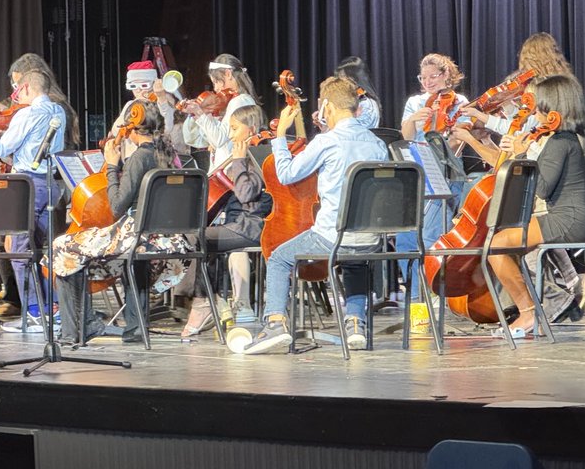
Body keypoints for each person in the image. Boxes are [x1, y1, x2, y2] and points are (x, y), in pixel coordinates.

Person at [243, 77, 388, 354]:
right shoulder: (377, 143)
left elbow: (286, 174)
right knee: (355, 262)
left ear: (328, 108)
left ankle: (275, 324)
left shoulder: (326, 141)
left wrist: (280, 136)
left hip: (332, 237)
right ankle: (355, 324)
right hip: (370, 239)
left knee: (278, 258)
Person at [52, 101, 188, 344]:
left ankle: (74, 331)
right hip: (168, 239)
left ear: (132, 129)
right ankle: (135, 327)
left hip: (138, 237)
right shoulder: (167, 155)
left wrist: (112, 167)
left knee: (63, 246)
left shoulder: (139, 158)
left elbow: (116, 208)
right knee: (93, 252)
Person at [486, 74, 585, 337]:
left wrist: (522, 153)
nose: (534, 111)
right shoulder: (562, 139)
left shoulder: (561, 142)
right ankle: (533, 306)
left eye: (540, 106)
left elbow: (542, 188)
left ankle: (528, 313)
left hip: (570, 219)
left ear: (554, 108)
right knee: (502, 244)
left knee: (496, 246)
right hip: (567, 216)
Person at [0, 67, 67, 328]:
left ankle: (34, 311)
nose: (16, 94)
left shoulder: (28, 113)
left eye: (18, 88)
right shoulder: (58, 111)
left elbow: (2, 147)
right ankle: (53, 309)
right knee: (43, 249)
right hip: (51, 184)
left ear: (27, 88)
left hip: (27, 185)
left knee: (19, 250)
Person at [182, 102, 272, 339]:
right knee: (198, 239)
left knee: (196, 238)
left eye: (234, 129)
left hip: (250, 227)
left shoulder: (258, 156)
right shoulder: (246, 155)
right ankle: (210, 301)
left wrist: (239, 160)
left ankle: (205, 303)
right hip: (237, 225)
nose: (230, 135)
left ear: (250, 129)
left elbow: (245, 194)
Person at [397, 53, 470, 334]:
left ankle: (423, 301)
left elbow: (457, 143)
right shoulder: (415, 102)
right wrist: (415, 119)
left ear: (445, 76)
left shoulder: (459, 102)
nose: (427, 82)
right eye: (423, 78)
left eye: (433, 77)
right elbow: (405, 136)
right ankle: (416, 297)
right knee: (404, 238)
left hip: (445, 174)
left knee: (428, 237)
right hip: (418, 173)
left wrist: (446, 129)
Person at [334, 56, 382, 129]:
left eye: (343, 78)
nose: (340, 84)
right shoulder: (348, 101)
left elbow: (357, 132)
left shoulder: (367, 104)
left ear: (356, 79)